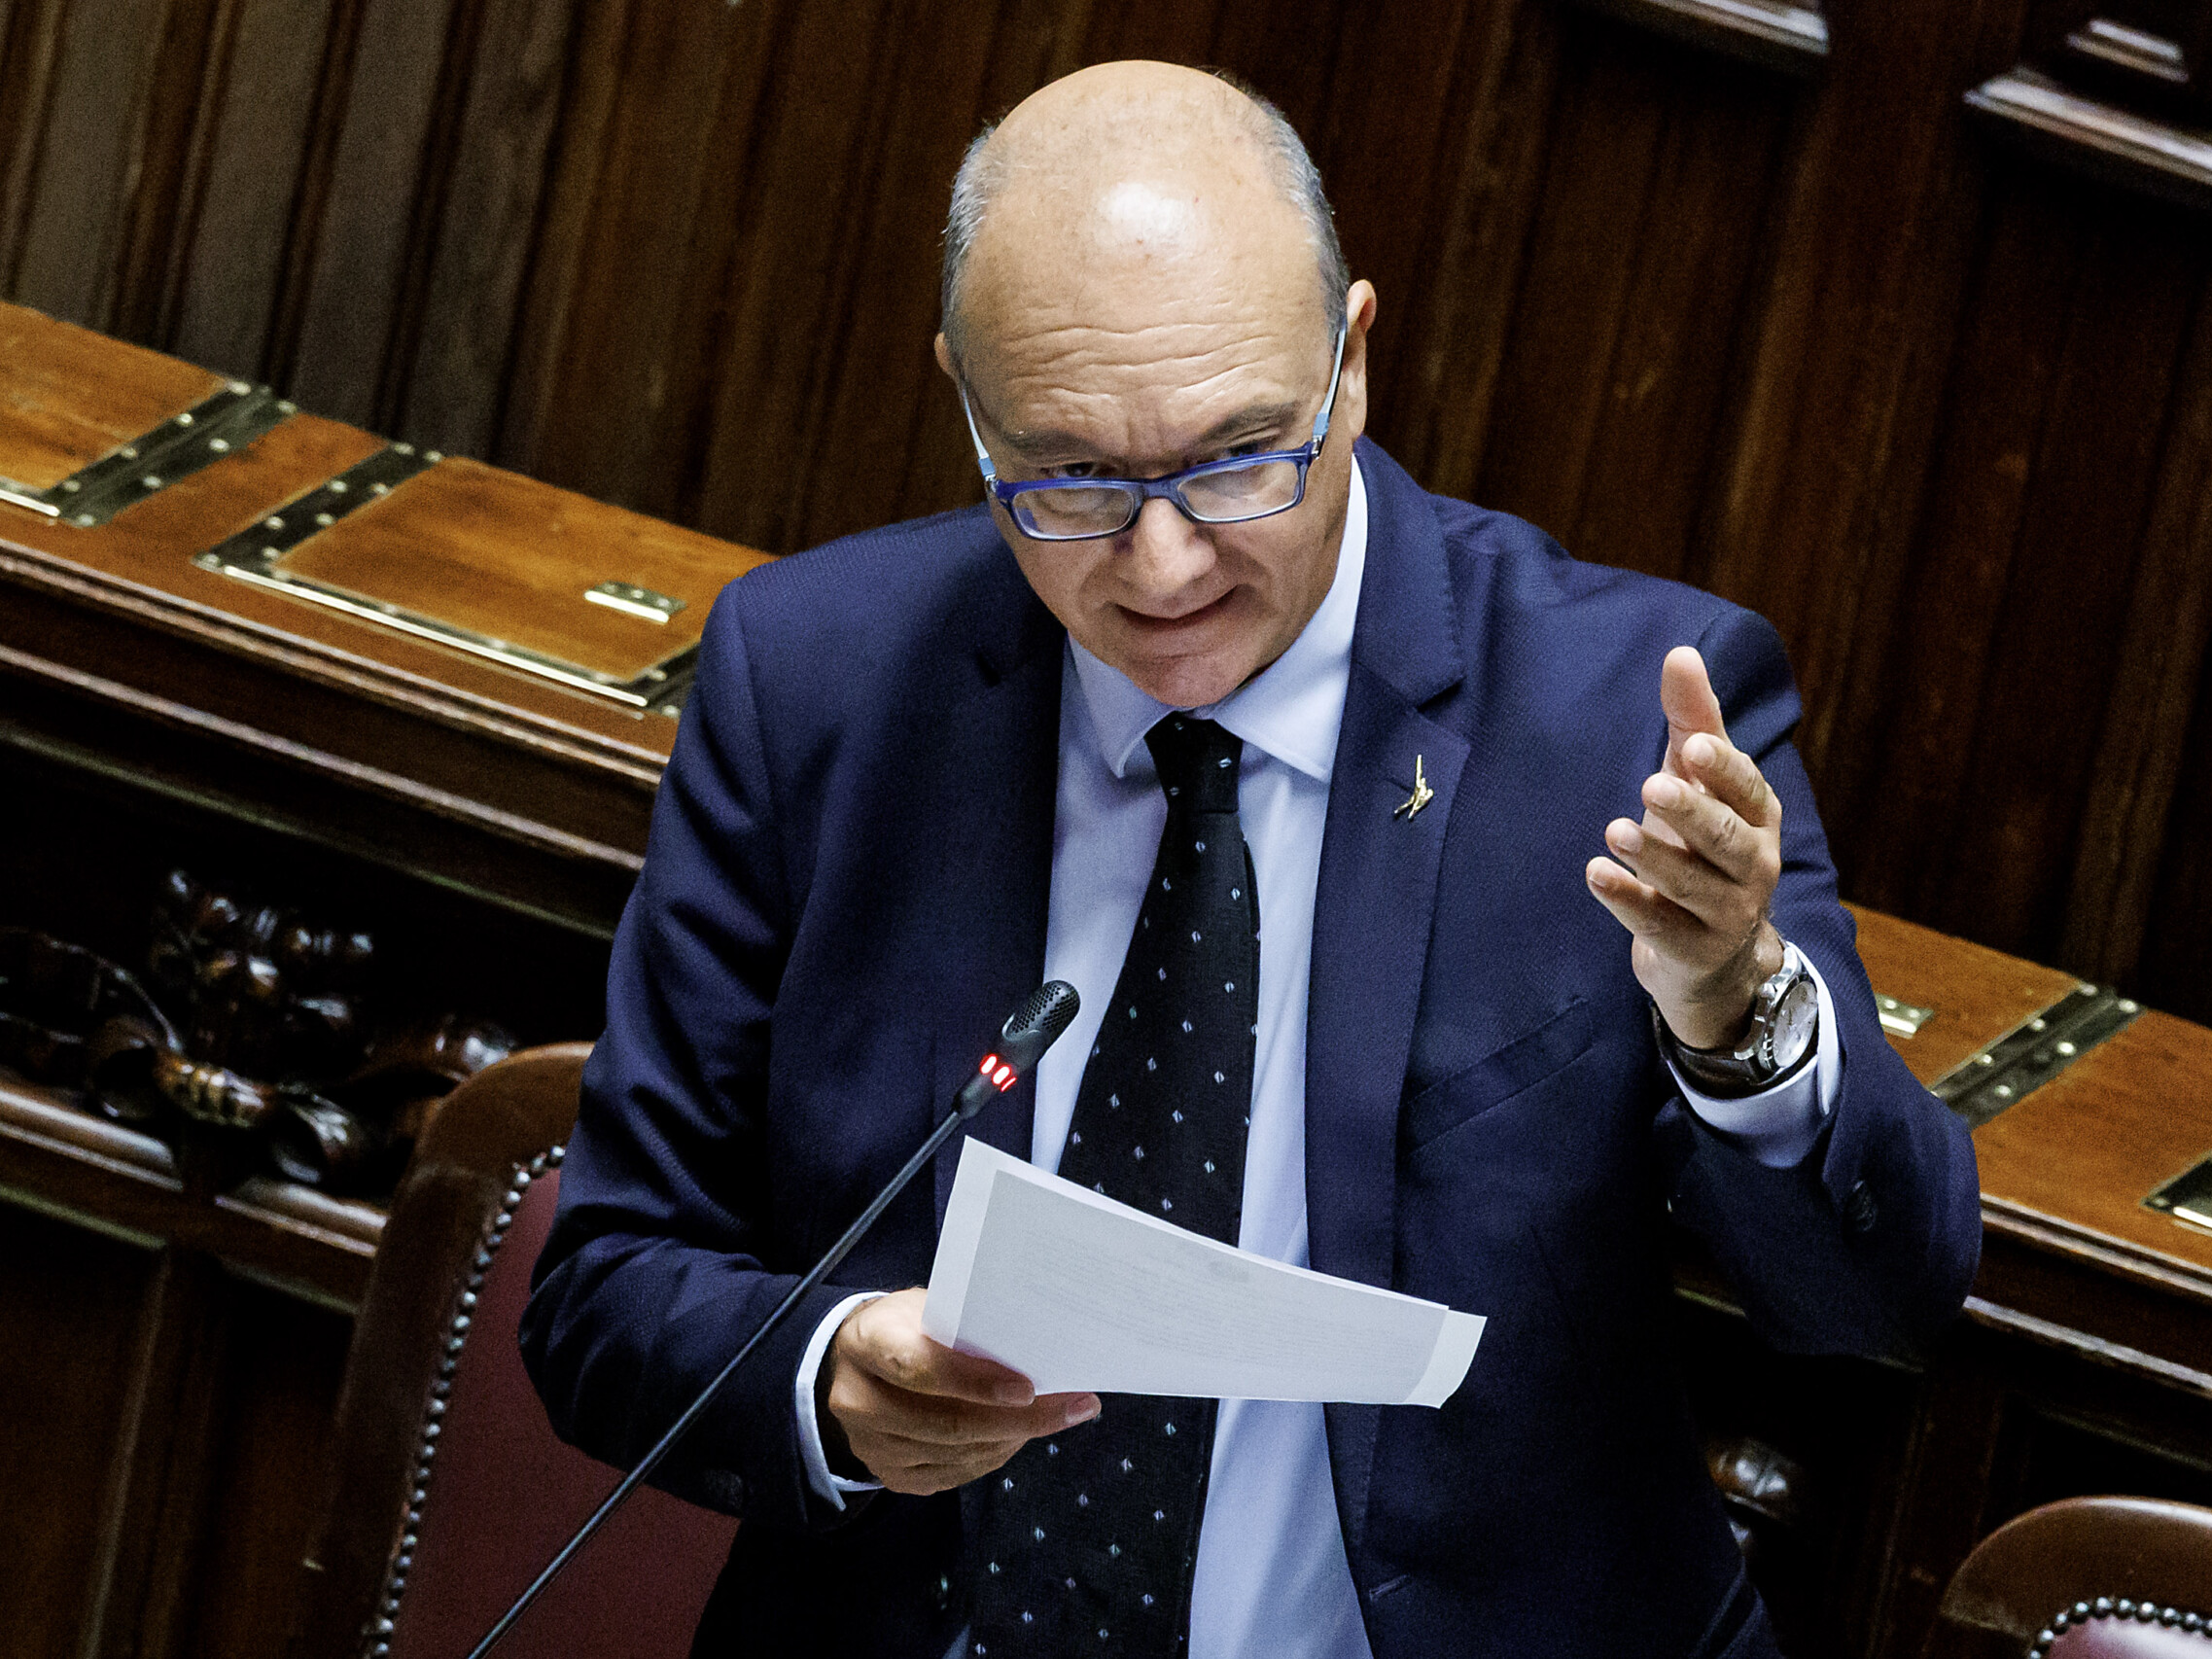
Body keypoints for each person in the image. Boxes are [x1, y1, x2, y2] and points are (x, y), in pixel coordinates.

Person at [522, 60, 1980, 1659]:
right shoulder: (816, 684)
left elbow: (1875, 1307)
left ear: (1351, 365)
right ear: (963, 398)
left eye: (1235, 460)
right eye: (1072, 477)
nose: (1164, 565)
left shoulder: (1619, 720)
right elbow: (606, 1285)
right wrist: (831, 1371)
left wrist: (1735, 1010)